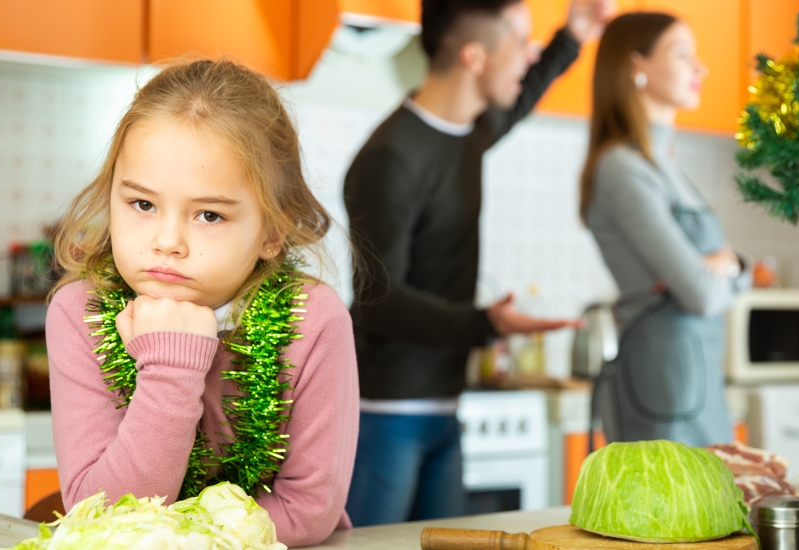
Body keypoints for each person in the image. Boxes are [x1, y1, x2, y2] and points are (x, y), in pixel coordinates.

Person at [46, 60, 358, 547]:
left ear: (272, 231)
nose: (168, 241)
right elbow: (99, 515)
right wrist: (173, 370)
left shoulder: (314, 320)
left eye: (209, 215)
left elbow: (310, 509)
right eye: (143, 205)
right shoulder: (78, 311)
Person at [343, 0, 611, 527]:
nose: (528, 56)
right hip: (387, 413)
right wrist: (485, 323)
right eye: (519, 42)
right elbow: (379, 303)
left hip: (445, 406)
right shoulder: (390, 157)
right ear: (474, 57)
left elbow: (525, 93)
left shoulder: (471, 133)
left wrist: (574, 33)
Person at [581, 12, 750, 447]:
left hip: (699, 382)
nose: (701, 68)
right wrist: (723, 269)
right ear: (636, 65)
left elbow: (714, 281)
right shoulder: (623, 168)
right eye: (682, 54)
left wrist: (721, 268)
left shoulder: (664, 166)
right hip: (663, 388)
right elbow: (702, 293)